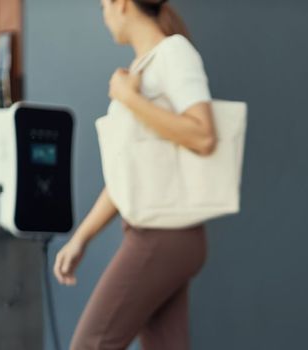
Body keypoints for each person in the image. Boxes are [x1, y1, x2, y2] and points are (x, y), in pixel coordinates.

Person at [53, 0, 217, 348]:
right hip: (167, 235)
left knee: (89, 344)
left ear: (122, 4)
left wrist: (130, 99)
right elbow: (127, 175)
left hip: (161, 235)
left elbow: (203, 135)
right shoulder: (146, 65)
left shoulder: (173, 54)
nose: (104, 16)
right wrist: (81, 238)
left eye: (103, 6)